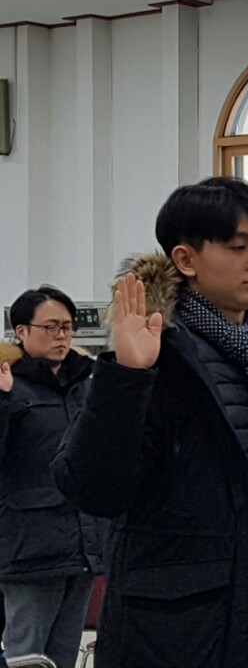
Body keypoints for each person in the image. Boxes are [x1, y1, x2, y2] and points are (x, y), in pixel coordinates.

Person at [53, 177, 248, 668]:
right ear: (186, 260)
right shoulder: (157, 356)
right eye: (238, 247)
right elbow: (95, 490)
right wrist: (126, 377)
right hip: (182, 635)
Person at [0, 286, 106, 668]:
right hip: (28, 548)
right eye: (51, 327)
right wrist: (3, 402)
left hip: (82, 545)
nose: (62, 335)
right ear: (21, 331)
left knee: (64, 654)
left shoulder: (86, 384)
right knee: (26, 655)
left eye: (67, 326)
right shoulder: (9, 385)